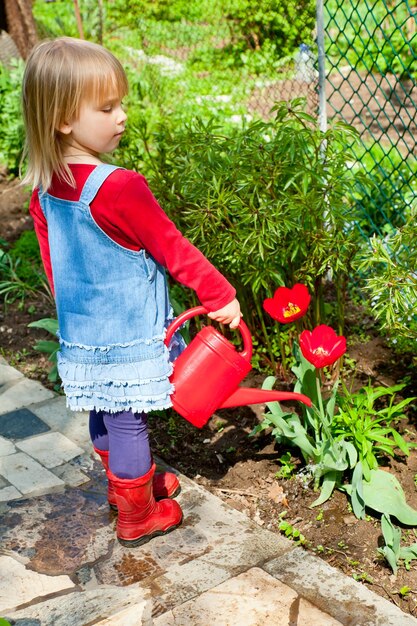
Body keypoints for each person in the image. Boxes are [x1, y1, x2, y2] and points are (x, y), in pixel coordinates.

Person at [22, 37, 241, 548]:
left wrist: (72, 318)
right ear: (63, 119)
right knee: (127, 422)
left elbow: (54, 265)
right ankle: (138, 514)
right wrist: (218, 294)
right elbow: (173, 248)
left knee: (103, 408)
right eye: (106, 107)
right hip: (126, 333)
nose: (121, 116)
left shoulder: (46, 188)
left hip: (84, 331)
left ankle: (128, 488)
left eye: (121, 103)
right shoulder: (121, 187)